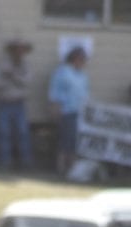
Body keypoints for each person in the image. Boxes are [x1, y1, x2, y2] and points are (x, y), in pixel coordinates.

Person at [0, 37, 31, 171]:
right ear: (11, 50)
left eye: (22, 50)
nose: (19, 52)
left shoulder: (26, 65)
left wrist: (12, 76)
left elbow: (27, 82)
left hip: (19, 103)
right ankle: (4, 161)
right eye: (17, 49)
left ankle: (25, 161)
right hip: (4, 102)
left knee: (22, 133)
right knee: (3, 132)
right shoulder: (1, 65)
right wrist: (8, 79)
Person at [48, 45, 88, 175]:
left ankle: (72, 167)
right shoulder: (62, 72)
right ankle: (61, 167)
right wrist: (55, 109)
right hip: (66, 110)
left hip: (79, 111)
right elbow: (54, 91)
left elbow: (85, 92)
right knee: (65, 140)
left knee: (75, 141)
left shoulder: (82, 74)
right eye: (81, 59)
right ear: (74, 58)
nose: (82, 62)